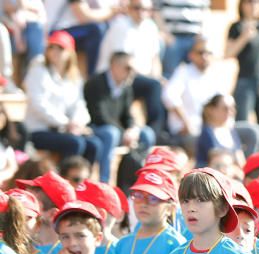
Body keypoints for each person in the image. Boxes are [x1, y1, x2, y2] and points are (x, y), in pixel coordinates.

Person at [23, 32, 102, 173]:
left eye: (60, 48)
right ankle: (65, 185)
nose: (55, 51)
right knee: (74, 143)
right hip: (39, 130)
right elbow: (38, 104)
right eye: (52, 47)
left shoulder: (73, 75)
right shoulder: (38, 68)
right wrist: (66, 123)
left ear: (70, 52)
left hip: (64, 130)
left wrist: (77, 122)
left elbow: (79, 104)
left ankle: (82, 185)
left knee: (94, 144)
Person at [95, 0, 165, 137]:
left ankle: (157, 133)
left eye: (145, 9)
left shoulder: (150, 27)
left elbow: (155, 59)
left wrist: (157, 78)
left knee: (160, 86)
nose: (141, 12)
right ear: (128, 9)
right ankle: (154, 133)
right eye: (137, 8)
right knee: (154, 86)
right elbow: (122, 62)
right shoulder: (121, 26)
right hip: (113, 79)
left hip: (134, 77)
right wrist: (153, 81)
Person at [84, 52, 157, 182]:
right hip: (95, 129)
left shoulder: (126, 86)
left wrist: (132, 128)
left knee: (147, 133)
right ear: (114, 66)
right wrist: (124, 133)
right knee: (111, 133)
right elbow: (99, 116)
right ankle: (104, 181)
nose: (132, 72)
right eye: (128, 68)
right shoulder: (95, 83)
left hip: (117, 130)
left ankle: (138, 179)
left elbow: (127, 116)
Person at [226, 0, 259, 144]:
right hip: (244, 81)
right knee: (242, 123)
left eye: (258, 3)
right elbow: (228, 53)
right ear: (243, 5)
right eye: (250, 2)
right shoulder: (236, 27)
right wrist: (244, 37)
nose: (254, 6)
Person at [162, 37, 227, 143]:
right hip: (187, 132)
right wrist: (186, 123)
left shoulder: (215, 76)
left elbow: (224, 103)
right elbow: (169, 96)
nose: (205, 57)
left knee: (251, 133)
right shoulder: (183, 72)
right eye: (201, 53)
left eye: (208, 53)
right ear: (191, 55)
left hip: (213, 131)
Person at [157, 0, 210, 79]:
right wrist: (165, 34)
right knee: (170, 75)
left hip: (194, 38)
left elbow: (205, 10)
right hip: (172, 38)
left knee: (196, 74)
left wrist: (202, 33)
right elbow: (156, 10)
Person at [196, 94, 245, 168]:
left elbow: (241, 161)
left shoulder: (231, 131)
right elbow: (218, 163)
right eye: (225, 108)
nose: (230, 112)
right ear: (212, 110)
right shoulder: (207, 132)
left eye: (233, 108)